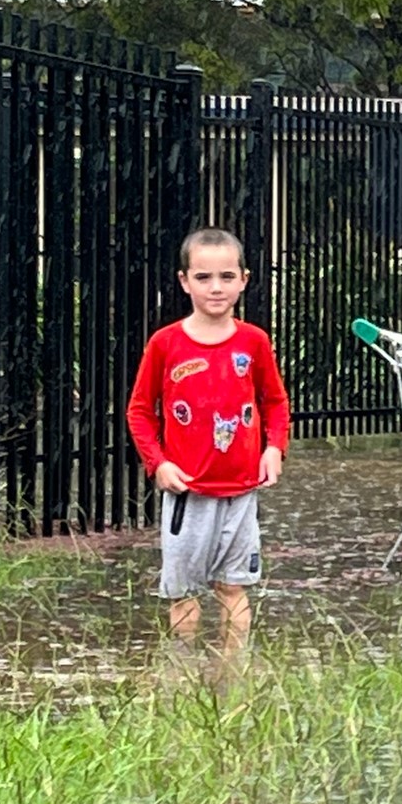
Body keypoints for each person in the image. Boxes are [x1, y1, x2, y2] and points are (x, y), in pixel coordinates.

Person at [126, 228, 290, 657]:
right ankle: (182, 672)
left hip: (241, 491)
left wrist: (274, 447)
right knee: (182, 592)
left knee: (233, 587)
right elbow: (139, 411)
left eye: (225, 276)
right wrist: (157, 463)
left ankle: (231, 672)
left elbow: (275, 402)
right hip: (188, 493)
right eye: (203, 277)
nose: (215, 287)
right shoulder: (165, 344)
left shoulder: (254, 342)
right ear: (184, 281)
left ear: (244, 279)